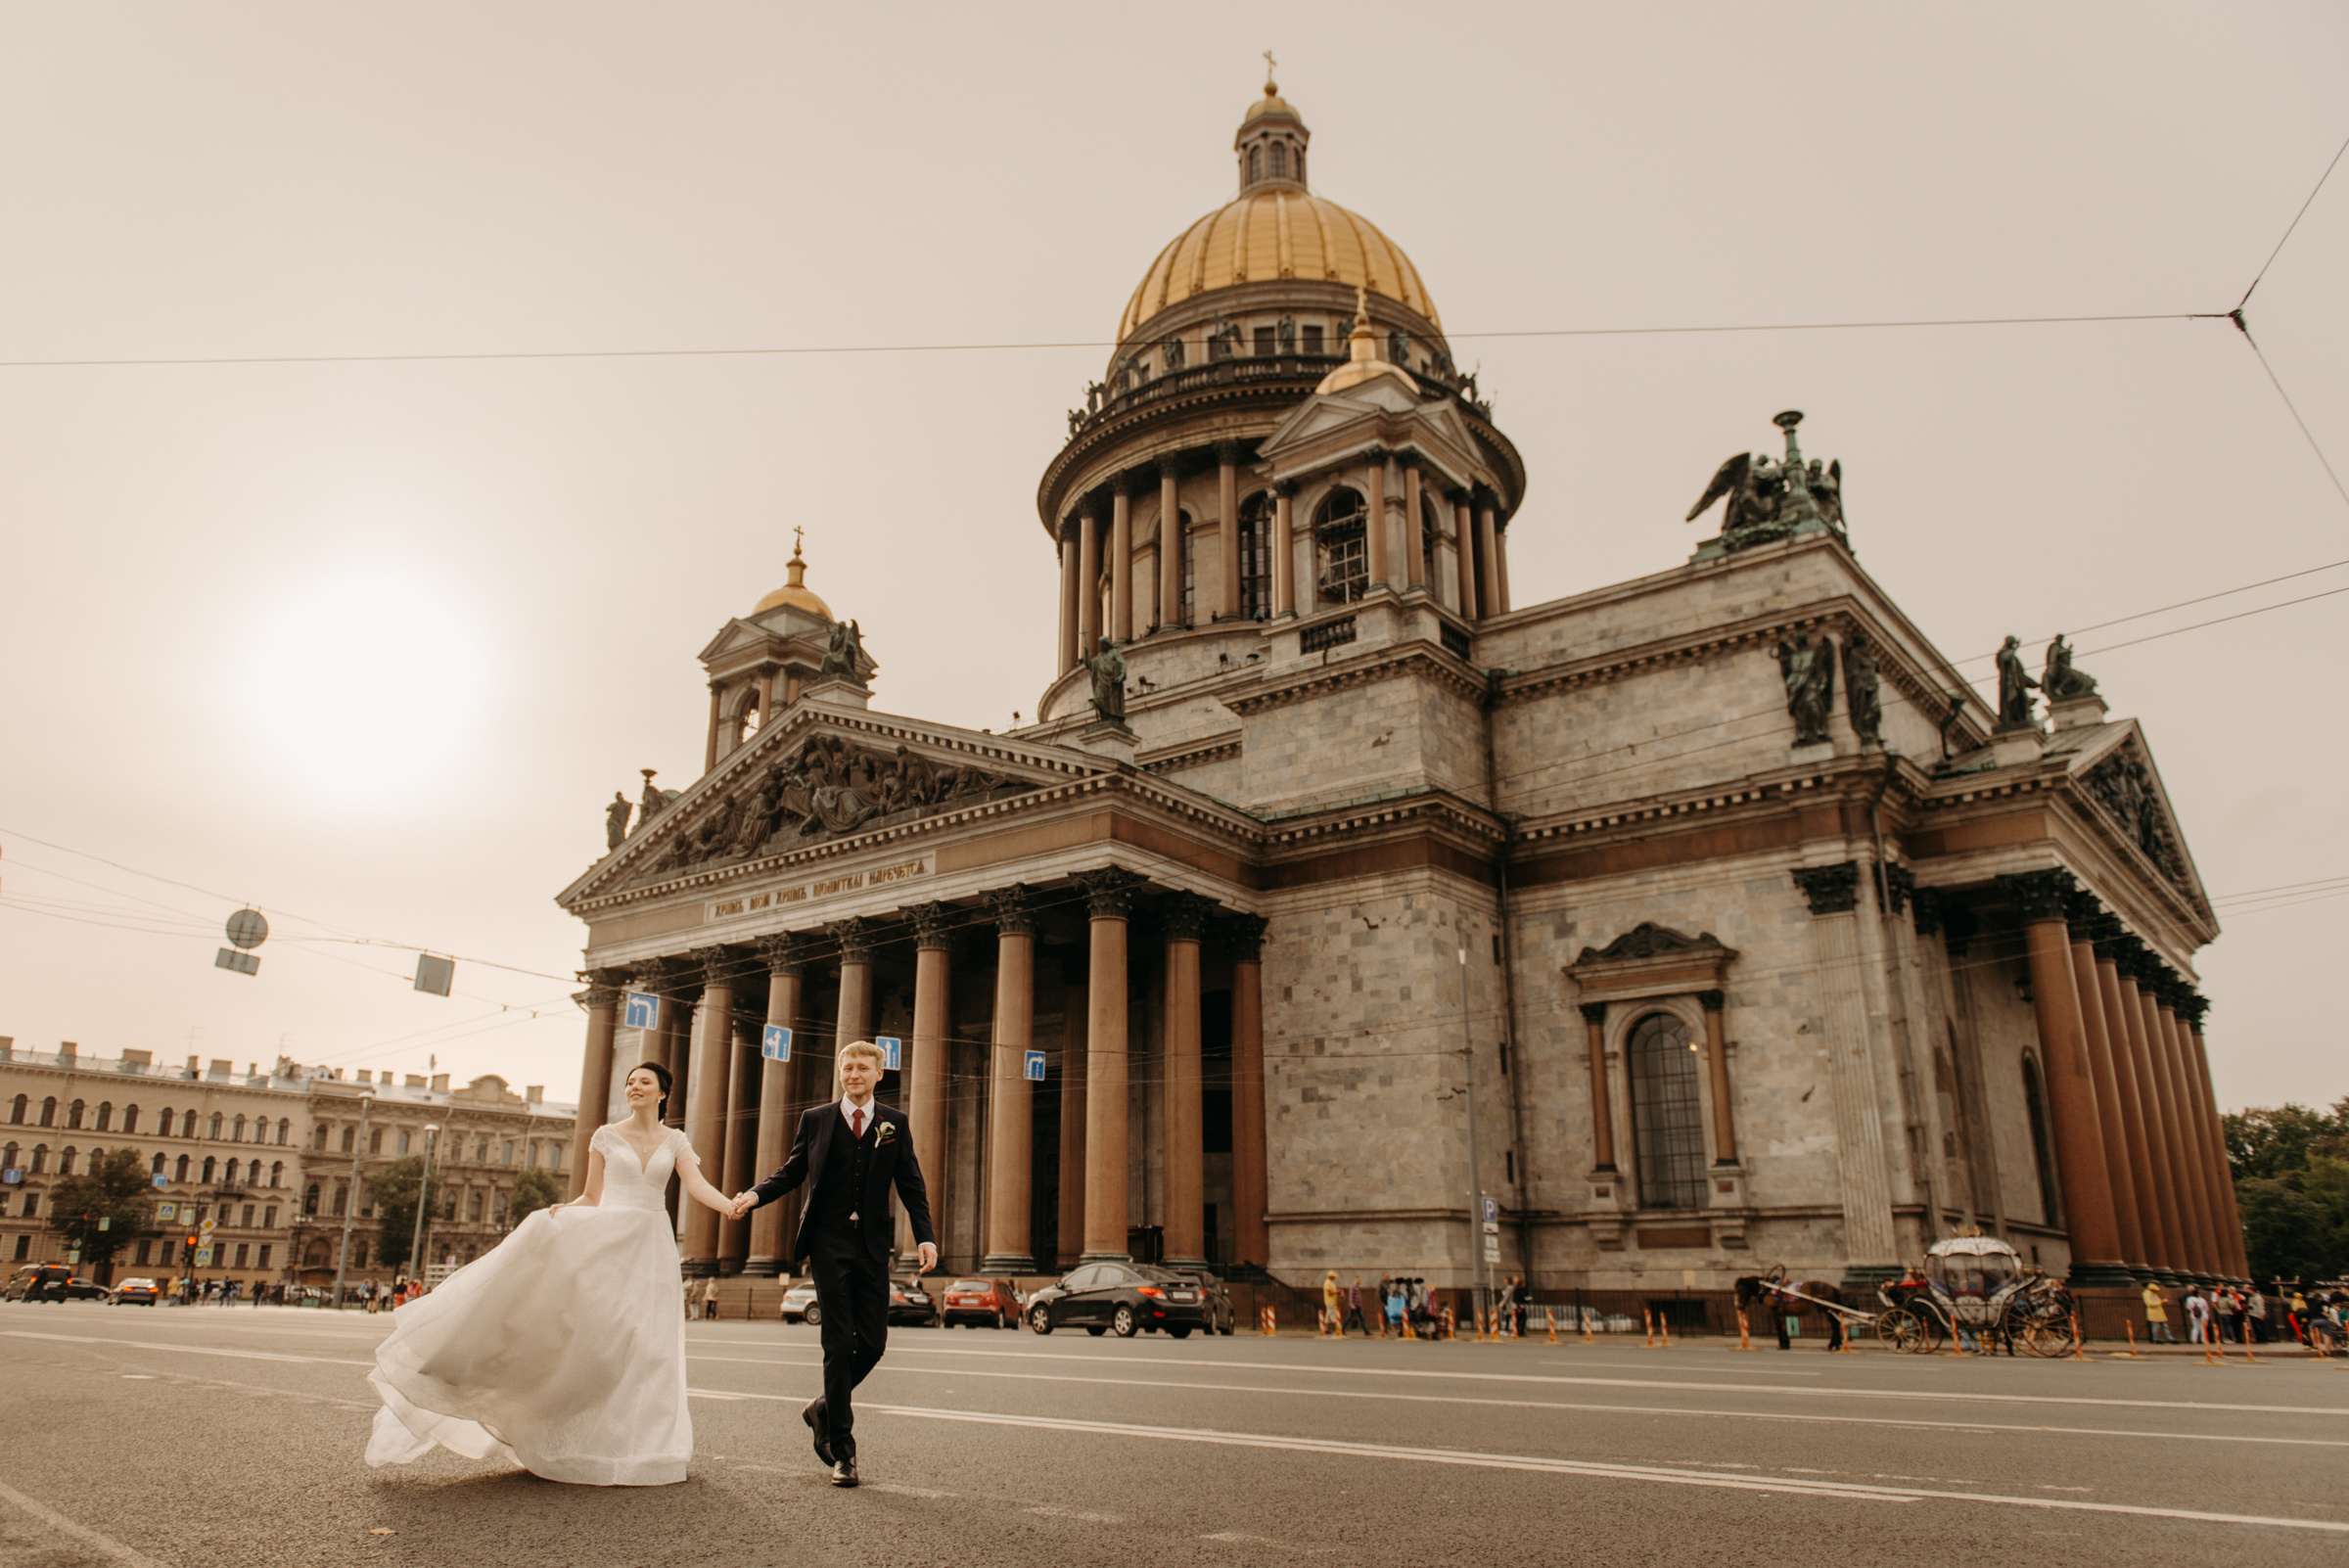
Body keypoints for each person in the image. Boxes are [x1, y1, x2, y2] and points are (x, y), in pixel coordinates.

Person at [365, 1061, 737, 1486]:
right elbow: (591, 1196)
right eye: (631, 1082)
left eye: (644, 1082)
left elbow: (697, 1185)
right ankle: (563, 1425)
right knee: (602, 1338)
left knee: (648, 1345)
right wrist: (561, 1213)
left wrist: (729, 1206)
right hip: (608, 1243)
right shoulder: (605, 1135)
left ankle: (643, 1446)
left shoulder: (676, 1140)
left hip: (651, 1246)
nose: (634, 1087)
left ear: (662, 1094)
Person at [731, 1040, 937, 1489]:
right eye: (847, 1067)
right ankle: (844, 1453)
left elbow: (911, 1183)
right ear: (839, 1072)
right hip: (828, 1243)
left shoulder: (894, 1124)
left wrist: (925, 1236)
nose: (854, 1074)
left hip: (872, 1245)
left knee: (875, 1343)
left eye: (863, 1068)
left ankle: (822, 1407)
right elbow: (791, 1171)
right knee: (838, 1343)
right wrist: (754, 1195)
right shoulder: (817, 1119)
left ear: (880, 1074)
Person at [1322, 1271, 1344, 1335]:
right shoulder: (1328, 1283)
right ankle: (1338, 1329)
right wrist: (1337, 1292)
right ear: (1331, 1276)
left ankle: (1326, 1329)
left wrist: (1337, 1292)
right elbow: (1329, 1293)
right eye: (1334, 1276)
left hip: (1331, 1302)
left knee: (1328, 1316)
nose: (1334, 1277)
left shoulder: (1331, 1282)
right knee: (1333, 1315)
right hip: (1330, 1302)